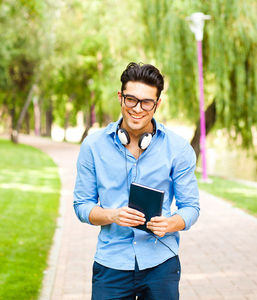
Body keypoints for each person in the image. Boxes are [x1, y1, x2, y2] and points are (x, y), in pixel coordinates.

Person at [73, 62, 200, 299]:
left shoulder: (179, 149)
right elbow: (82, 206)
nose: (137, 109)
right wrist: (112, 215)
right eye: (131, 99)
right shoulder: (93, 146)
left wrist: (170, 224)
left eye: (146, 102)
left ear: (157, 104)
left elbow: (191, 207)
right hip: (111, 263)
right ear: (120, 97)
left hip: (161, 262)